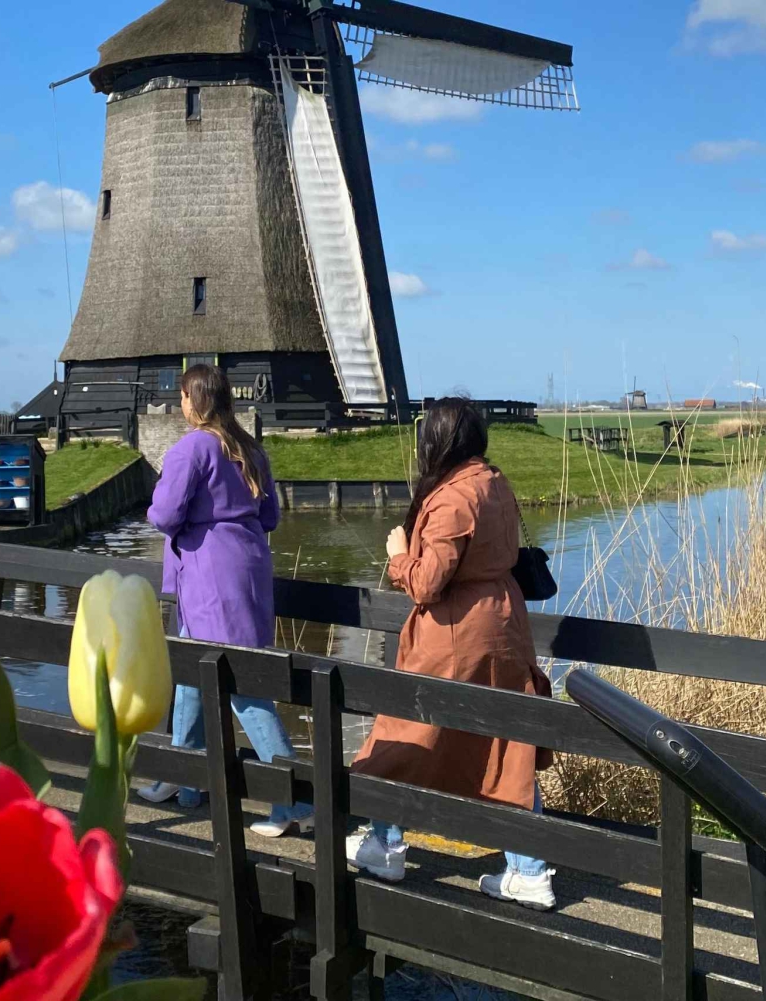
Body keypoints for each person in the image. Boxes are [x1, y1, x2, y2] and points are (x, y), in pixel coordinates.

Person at [345, 398, 556, 908]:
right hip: (503, 624)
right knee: (508, 740)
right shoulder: (495, 482)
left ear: (436, 440)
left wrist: (398, 554)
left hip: (455, 634)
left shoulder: (453, 497)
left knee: (402, 731)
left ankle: (385, 844)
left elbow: (425, 583)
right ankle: (530, 869)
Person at [136, 364, 314, 838]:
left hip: (208, 573)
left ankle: (295, 799)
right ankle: (182, 778)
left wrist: (174, 514)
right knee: (196, 677)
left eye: (181, 397)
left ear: (193, 400)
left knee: (242, 686)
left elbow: (165, 513)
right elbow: (271, 514)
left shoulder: (192, 447)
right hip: (249, 565)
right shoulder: (251, 449)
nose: (179, 405)